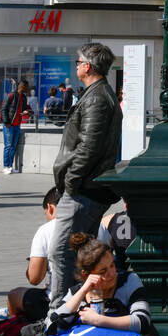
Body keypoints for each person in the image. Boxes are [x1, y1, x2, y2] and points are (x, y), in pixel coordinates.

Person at [49, 44, 122, 309]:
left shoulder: (97, 98)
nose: (76, 66)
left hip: (83, 189)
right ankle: (78, 306)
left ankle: (58, 312)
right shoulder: (97, 95)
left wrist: (71, 182)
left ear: (87, 66)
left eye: (78, 62)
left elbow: (88, 147)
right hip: (87, 187)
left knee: (61, 252)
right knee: (81, 255)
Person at [0, 187, 60, 324]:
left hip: (58, 307)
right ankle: (8, 312)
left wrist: (32, 265)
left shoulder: (46, 230)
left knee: (15, 295)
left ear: (50, 208)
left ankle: (13, 324)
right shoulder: (97, 224)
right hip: (94, 302)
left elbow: (34, 278)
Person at [0, 80, 31, 174]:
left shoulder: (24, 97)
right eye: (27, 87)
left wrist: (27, 111)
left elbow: (26, 108)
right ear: (22, 86)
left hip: (17, 125)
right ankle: (5, 166)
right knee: (8, 146)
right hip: (9, 125)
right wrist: (6, 122)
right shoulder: (11, 95)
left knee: (13, 146)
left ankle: (10, 166)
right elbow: (4, 109)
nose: (28, 89)